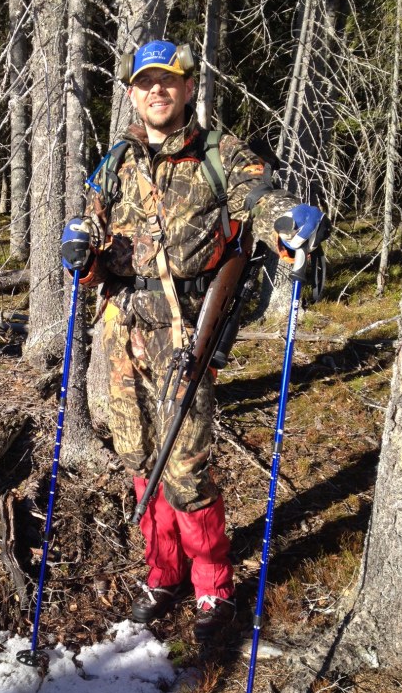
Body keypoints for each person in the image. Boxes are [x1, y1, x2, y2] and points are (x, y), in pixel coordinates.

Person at [61, 40, 326, 642]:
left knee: (185, 466)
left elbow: (259, 199)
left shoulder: (218, 153)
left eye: (168, 80)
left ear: (186, 88)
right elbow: (91, 225)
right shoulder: (117, 160)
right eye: (145, 82)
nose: (157, 90)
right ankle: (164, 574)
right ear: (133, 93)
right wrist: (78, 243)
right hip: (121, 326)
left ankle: (212, 585)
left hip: (186, 329)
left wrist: (288, 221)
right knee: (138, 454)